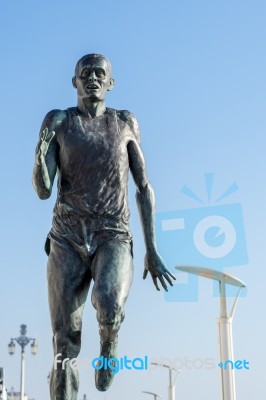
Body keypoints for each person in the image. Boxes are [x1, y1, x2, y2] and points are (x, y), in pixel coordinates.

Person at [32, 53, 175, 399]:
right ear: (74, 82)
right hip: (67, 237)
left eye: (100, 74)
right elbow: (43, 190)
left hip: (112, 234)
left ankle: (109, 345)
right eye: (85, 73)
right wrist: (41, 153)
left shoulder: (124, 122)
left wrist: (151, 250)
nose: (92, 78)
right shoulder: (60, 121)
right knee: (64, 342)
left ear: (110, 83)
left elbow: (143, 187)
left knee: (109, 304)